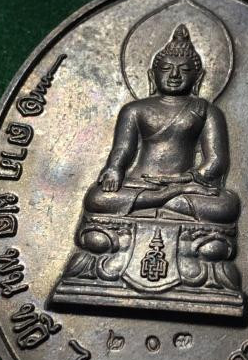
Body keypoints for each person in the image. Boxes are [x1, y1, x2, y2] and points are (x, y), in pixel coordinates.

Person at [83, 23, 239, 225]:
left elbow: (217, 160)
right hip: (139, 183)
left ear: (198, 77)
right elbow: (123, 149)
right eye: (166, 68)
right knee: (97, 198)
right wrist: (114, 168)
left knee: (227, 205)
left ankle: (160, 199)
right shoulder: (134, 110)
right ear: (152, 75)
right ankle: (165, 198)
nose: (174, 75)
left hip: (184, 185)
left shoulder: (207, 111)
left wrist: (182, 181)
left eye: (184, 70)